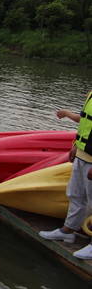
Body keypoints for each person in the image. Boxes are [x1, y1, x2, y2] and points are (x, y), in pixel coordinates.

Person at [39, 90, 92, 260]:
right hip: (83, 154)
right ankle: (68, 230)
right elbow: (85, 123)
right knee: (75, 194)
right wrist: (76, 144)